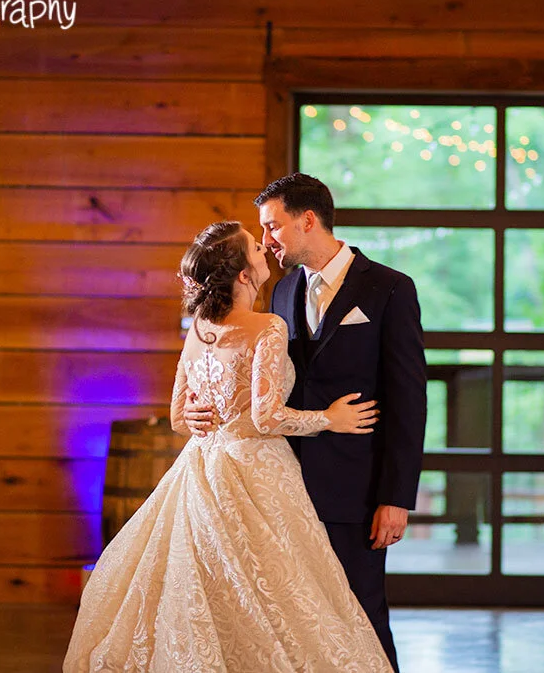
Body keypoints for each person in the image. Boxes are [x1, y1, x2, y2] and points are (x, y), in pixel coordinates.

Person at [63, 221, 393, 673]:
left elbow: (180, 416)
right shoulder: (268, 326)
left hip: (204, 466)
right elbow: (266, 417)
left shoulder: (200, 327)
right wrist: (329, 419)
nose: (265, 249)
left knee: (211, 586)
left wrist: (200, 422)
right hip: (258, 472)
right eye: (257, 247)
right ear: (243, 274)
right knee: (279, 588)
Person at [185, 174, 428, 672]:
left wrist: (397, 498)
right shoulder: (280, 292)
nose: (267, 239)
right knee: (293, 625)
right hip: (280, 490)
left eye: (273, 227)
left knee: (360, 617)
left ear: (308, 220)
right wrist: (197, 406)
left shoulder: (389, 288)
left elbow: (409, 402)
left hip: (354, 491)